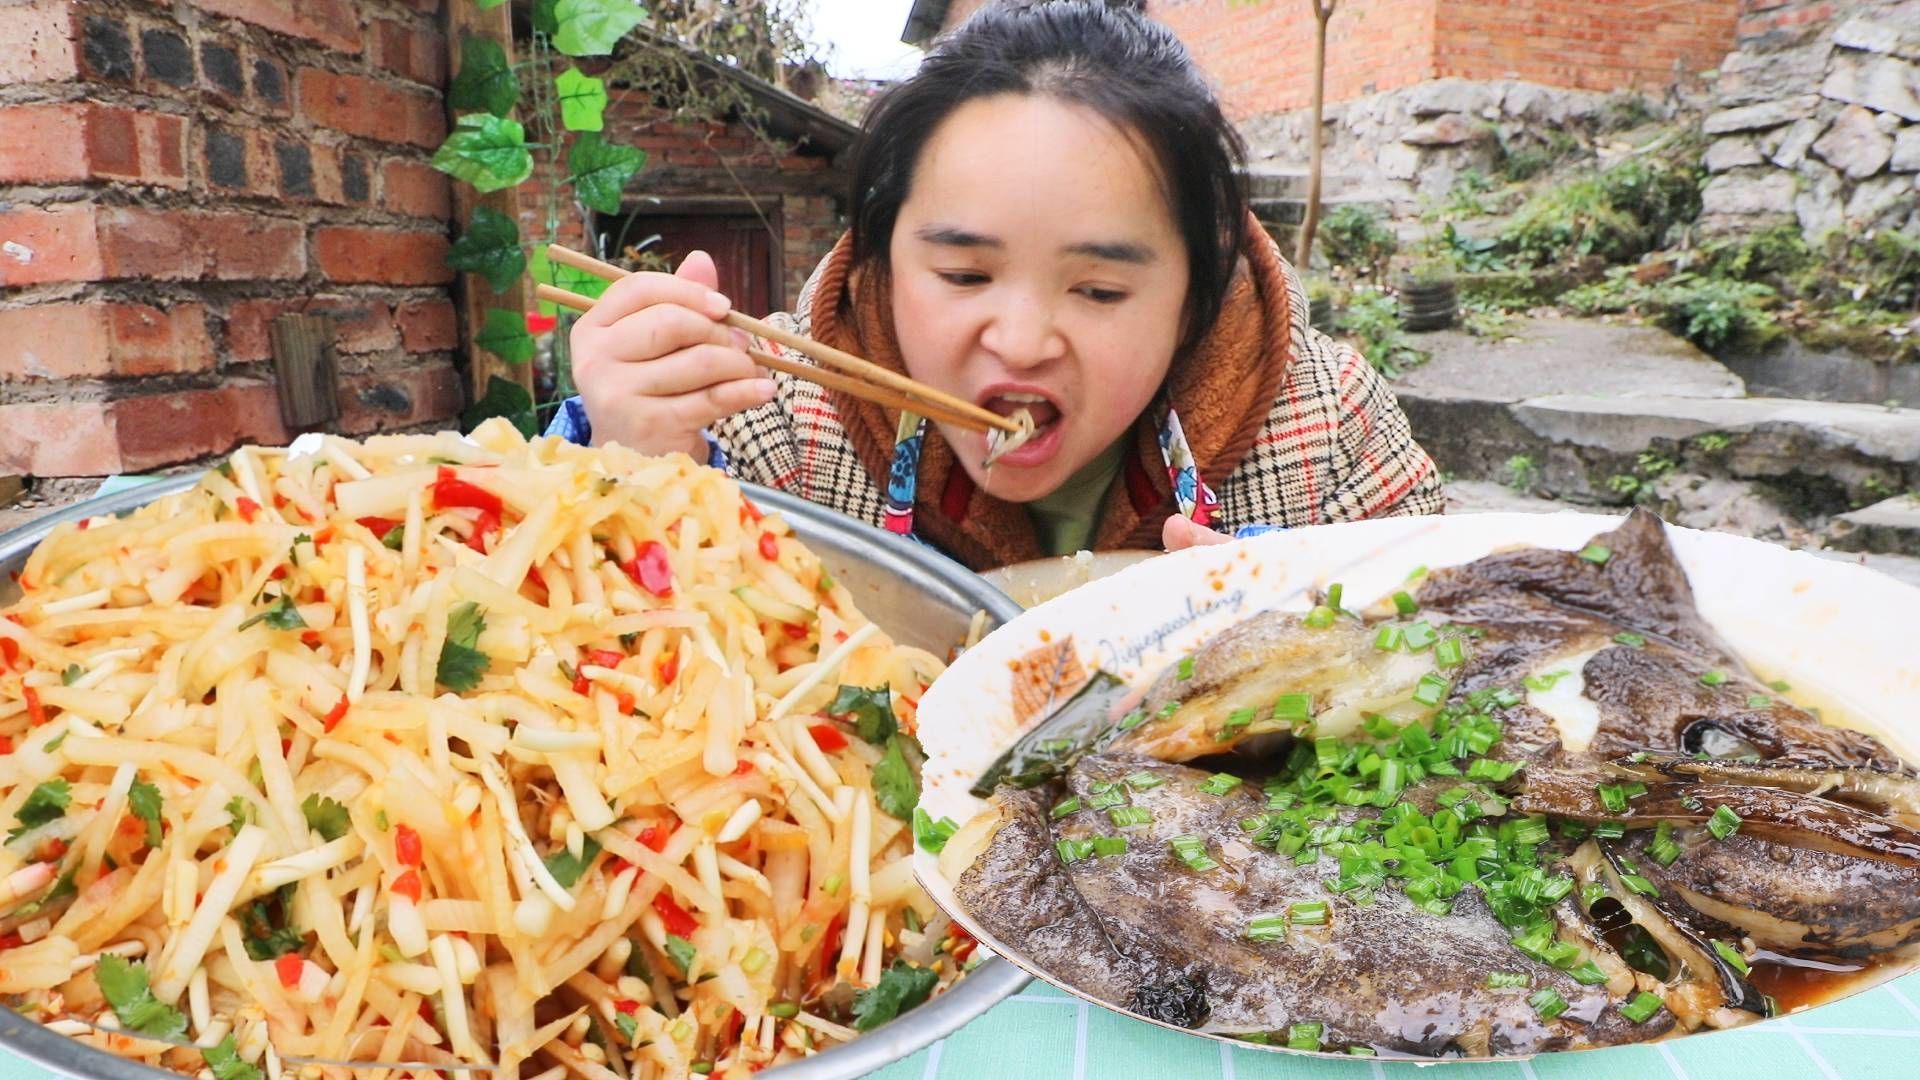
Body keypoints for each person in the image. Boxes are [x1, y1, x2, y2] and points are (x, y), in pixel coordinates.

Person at [549, 0, 1442, 571]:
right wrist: (634, 477)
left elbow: (1463, 677)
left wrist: (1313, 636)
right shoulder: (760, 416)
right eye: (966, 273)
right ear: (881, 260)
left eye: (1098, 291)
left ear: (1195, 298)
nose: (1019, 340)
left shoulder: (1326, 430)